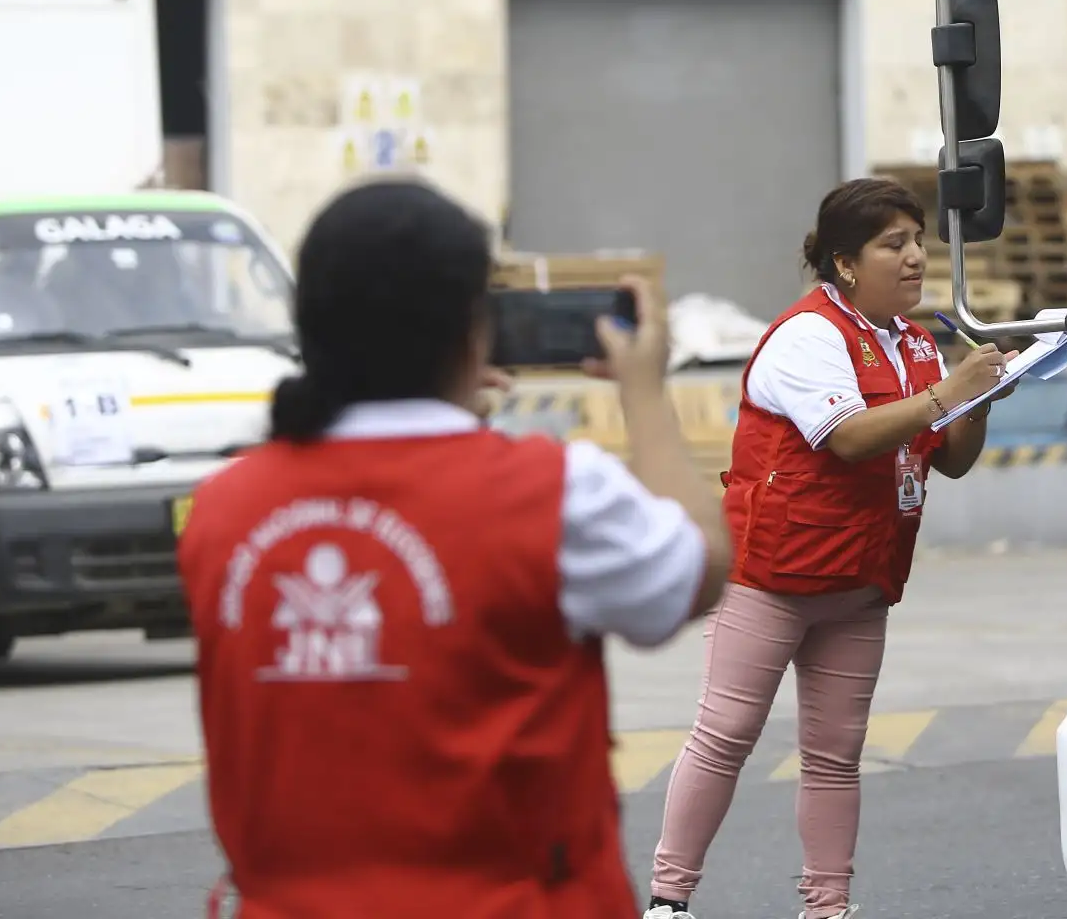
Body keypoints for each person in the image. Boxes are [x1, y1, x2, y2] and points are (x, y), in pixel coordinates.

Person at [176, 177, 732, 919]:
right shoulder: (555, 493)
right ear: (474, 329)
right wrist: (643, 391)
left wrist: (444, 414)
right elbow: (701, 563)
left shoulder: (220, 510)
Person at [644, 177, 1015, 919]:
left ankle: (828, 906)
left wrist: (975, 401)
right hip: (773, 576)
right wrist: (949, 393)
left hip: (860, 579)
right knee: (726, 737)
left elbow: (950, 458)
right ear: (846, 264)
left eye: (918, 242)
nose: (915, 259)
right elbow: (845, 439)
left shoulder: (913, 342)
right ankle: (668, 900)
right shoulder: (807, 336)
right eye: (894, 245)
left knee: (835, 755)